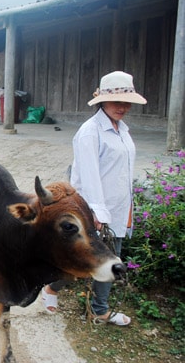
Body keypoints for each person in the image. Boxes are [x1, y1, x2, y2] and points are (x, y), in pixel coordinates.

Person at [41, 71, 147, 326]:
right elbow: (88, 177)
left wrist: (128, 208)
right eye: (116, 101)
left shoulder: (122, 130)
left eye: (126, 101)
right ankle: (51, 288)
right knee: (82, 261)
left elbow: (121, 174)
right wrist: (97, 213)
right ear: (101, 100)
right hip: (93, 212)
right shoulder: (90, 132)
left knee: (110, 261)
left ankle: (99, 310)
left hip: (118, 208)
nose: (122, 107)